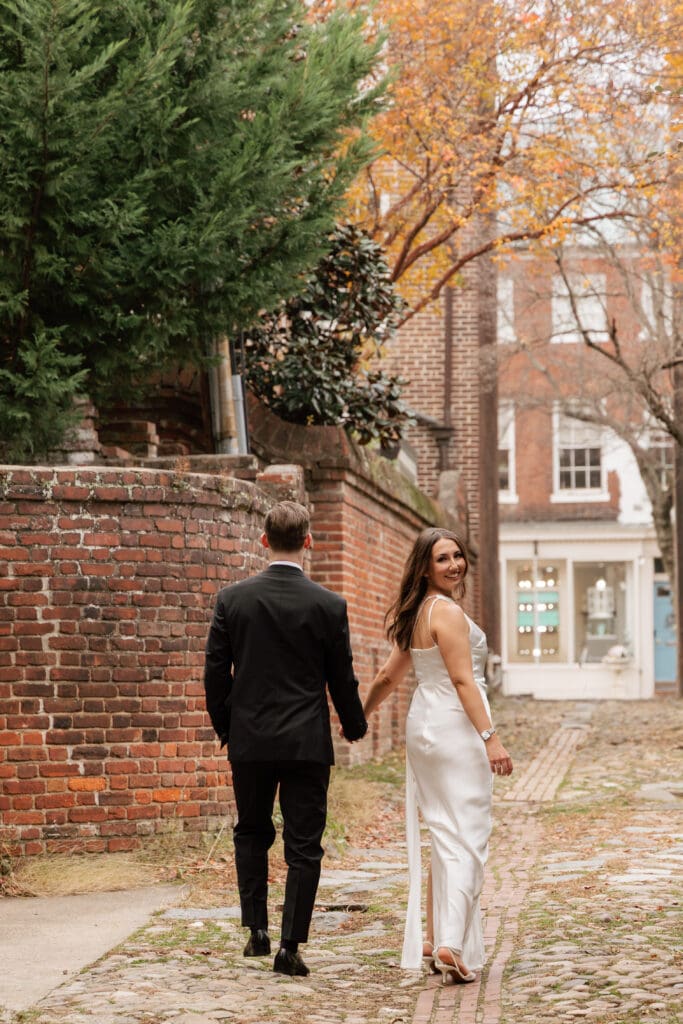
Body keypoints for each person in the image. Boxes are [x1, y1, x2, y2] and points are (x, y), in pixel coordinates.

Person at [203, 500, 367, 978]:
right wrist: (353, 724)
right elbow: (343, 676)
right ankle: (290, 946)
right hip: (305, 743)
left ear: (263, 541)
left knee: (251, 830)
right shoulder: (328, 605)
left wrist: (225, 725)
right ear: (309, 541)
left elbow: (216, 671)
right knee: (304, 845)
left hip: (250, 740)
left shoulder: (232, 600)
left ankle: (256, 929)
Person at [362, 527, 513, 983]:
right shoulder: (445, 612)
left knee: (444, 834)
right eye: (443, 559)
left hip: (424, 725)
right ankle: (450, 943)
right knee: (469, 834)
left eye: (458, 556)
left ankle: (434, 938)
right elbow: (464, 682)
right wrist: (490, 736)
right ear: (425, 567)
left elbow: (388, 677)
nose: (454, 565)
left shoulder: (416, 613)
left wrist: (359, 716)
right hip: (455, 726)